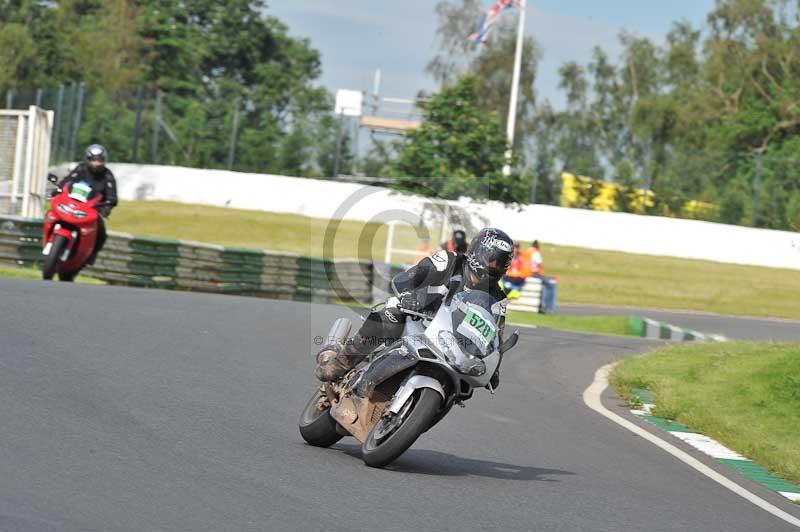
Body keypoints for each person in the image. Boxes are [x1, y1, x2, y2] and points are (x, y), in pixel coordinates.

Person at [316, 227, 514, 389]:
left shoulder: (498, 300)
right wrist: (409, 294)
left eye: (500, 263)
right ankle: (342, 362)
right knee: (391, 313)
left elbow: (496, 335)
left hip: (451, 345)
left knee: (465, 387)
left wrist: (494, 366)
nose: (493, 266)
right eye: (491, 259)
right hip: (416, 318)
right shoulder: (449, 261)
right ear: (477, 252)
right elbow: (410, 277)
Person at [56, 144, 118, 265]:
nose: (96, 163)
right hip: (72, 204)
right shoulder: (81, 169)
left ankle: (92, 254)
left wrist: (106, 206)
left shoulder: (108, 175)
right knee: (53, 213)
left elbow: (112, 196)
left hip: (93, 210)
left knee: (101, 232)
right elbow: (67, 181)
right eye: (94, 160)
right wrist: (58, 189)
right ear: (88, 160)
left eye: (100, 160)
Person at [528, 240, 557, 313]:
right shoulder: (536, 253)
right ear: (537, 246)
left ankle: (542, 305)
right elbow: (540, 264)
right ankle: (549, 307)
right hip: (535, 274)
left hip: (527, 274)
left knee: (543, 287)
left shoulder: (528, 251)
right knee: (551, 284)